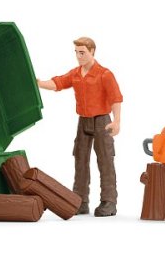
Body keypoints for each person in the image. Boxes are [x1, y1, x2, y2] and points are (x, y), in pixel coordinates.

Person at [37, 37, 123, 216]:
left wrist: (116, 121)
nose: (78, 56)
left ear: (92, 51)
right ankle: (80, 200)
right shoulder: (75, 73)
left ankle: (109, 201)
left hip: (102, 121)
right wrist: (38, 83)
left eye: (82, 52)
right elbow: (58, 83)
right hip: (83, 121)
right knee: (80, 159)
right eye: (76, 52)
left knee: (105, 160)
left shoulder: (104, 74)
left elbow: (115, 98)